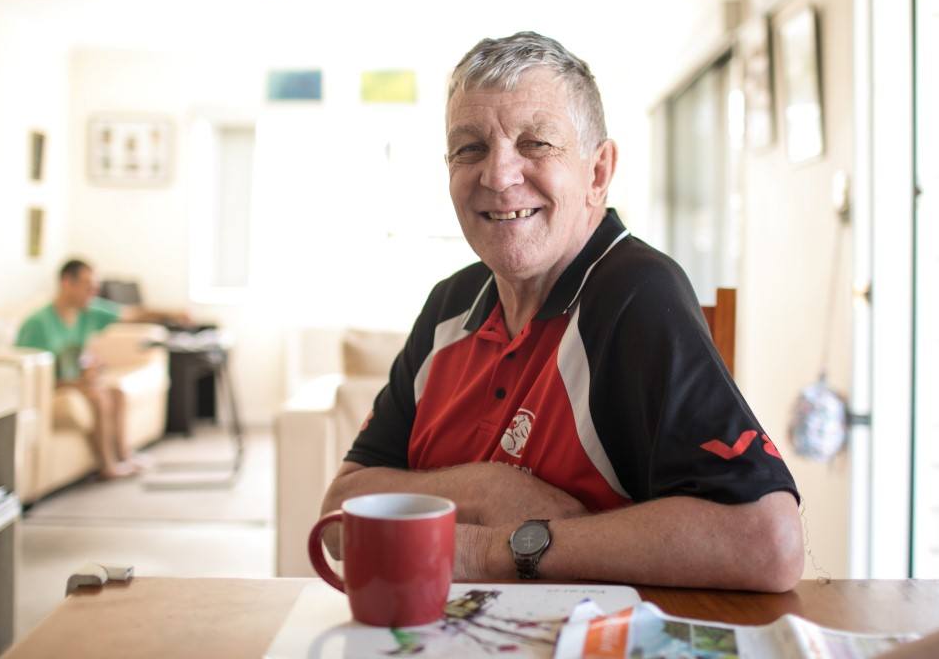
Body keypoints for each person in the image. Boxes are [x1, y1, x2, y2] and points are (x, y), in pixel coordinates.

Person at [320, 31, 803, 591]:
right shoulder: (449, 305)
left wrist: (493, 548)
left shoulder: (634, 294)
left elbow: (768, 543)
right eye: (469, 148)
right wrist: (485, 489)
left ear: (597, 172)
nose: (498, 176)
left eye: (536, 144)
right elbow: (338, 518)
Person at [15, 259, 186, 479]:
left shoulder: (88, 311)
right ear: (67, 282)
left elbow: (133, 314)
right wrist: (78, 382)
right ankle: (108, 466)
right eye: (88, 285)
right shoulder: (38, 324)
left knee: (116, 392)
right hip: (47, 387)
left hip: (76, 381)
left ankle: (124, 456)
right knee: (97, 396)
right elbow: (29, 376)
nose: (94, 291)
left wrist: (172, 314)